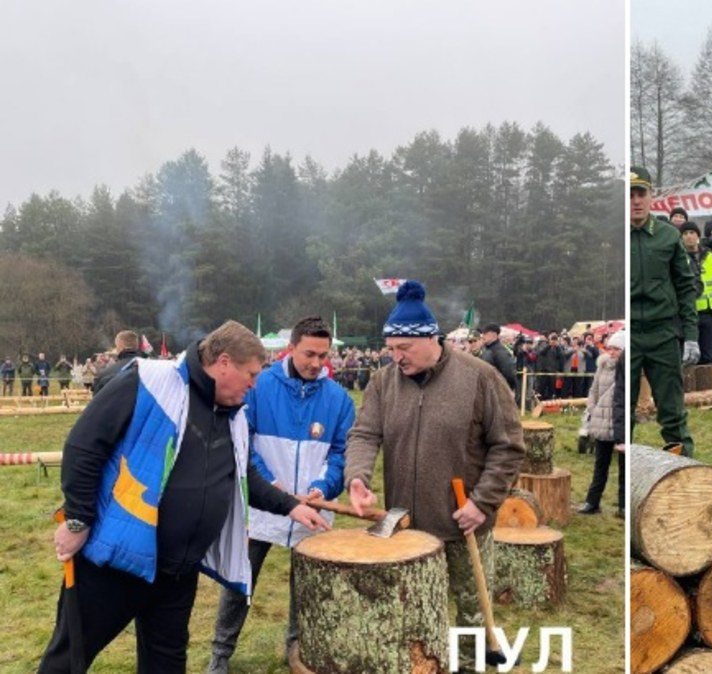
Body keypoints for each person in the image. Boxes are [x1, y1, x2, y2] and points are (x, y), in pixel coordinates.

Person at [39, 320, 330, 673]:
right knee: (68, 659)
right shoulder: (147, 381)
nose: (253, 386)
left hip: (177, 571)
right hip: (115, 561)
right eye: (250, 375)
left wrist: (291, 506)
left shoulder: (233, 413)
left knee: (166, 664)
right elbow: (83, 446)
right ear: (224, 363)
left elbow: (240, 475)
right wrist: (78, 518)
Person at [344, 281, 525, 666]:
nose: (396, 358)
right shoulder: (383, 382)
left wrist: (483, 502)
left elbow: (508, 446)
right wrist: (357, 477)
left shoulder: (479, 378)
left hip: (464, 522)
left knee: (472, 611)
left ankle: (472, 661)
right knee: (410, 607)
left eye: (404, 348)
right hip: (404, 524)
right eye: (390, 349)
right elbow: (363, 433)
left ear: (432, 339)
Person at [207, 316, 356, 673]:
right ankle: (220, 653)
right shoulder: (260, 385)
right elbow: (244, 439)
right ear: (292, 347)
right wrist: (271, 485)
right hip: (261, 505)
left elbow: (341, 452)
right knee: (238, 581)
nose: (317, 363)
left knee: (305, 588)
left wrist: (323, 487)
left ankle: (296, 648)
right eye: (309, 354)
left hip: (312, 509)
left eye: (323, 355)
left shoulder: (338, 398)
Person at [630, 166, 699, 456]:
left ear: (651, 196)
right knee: (621, 417)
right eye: (629, 195)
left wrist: (691, 335)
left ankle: (684, 473)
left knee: (672, 414)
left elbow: (686, 288)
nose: (635, 201)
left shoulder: (669, 236)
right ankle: (623, 492)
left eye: (641, 194)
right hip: (629, 337)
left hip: (662, 335)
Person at [578, 330, 626, 517]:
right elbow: (594, 390)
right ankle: (592, 501)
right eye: (610, 348)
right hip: (601, 421)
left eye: (616, 349)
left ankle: (623, 505)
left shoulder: (626, 369)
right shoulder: (602, 367)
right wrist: (592, 408)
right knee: (600, 464)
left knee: (624, 467)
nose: (612, 352)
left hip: (618, 422)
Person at [680, 220, 712, 364]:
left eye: (692, 233)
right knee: (690, 357)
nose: (689, 236)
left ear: (698, 236)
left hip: (709, 313)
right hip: (688, 314)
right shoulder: (679, 257)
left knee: (708, 356)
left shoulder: (709, 255)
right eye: (685, 233)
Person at [477, 323, 518, 393]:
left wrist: (506, 390)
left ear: (494, 335)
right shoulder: (486, 350)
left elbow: (508, 373)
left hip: (497, 392)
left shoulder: (500, 352)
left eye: (486, 334)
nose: (483, 336)